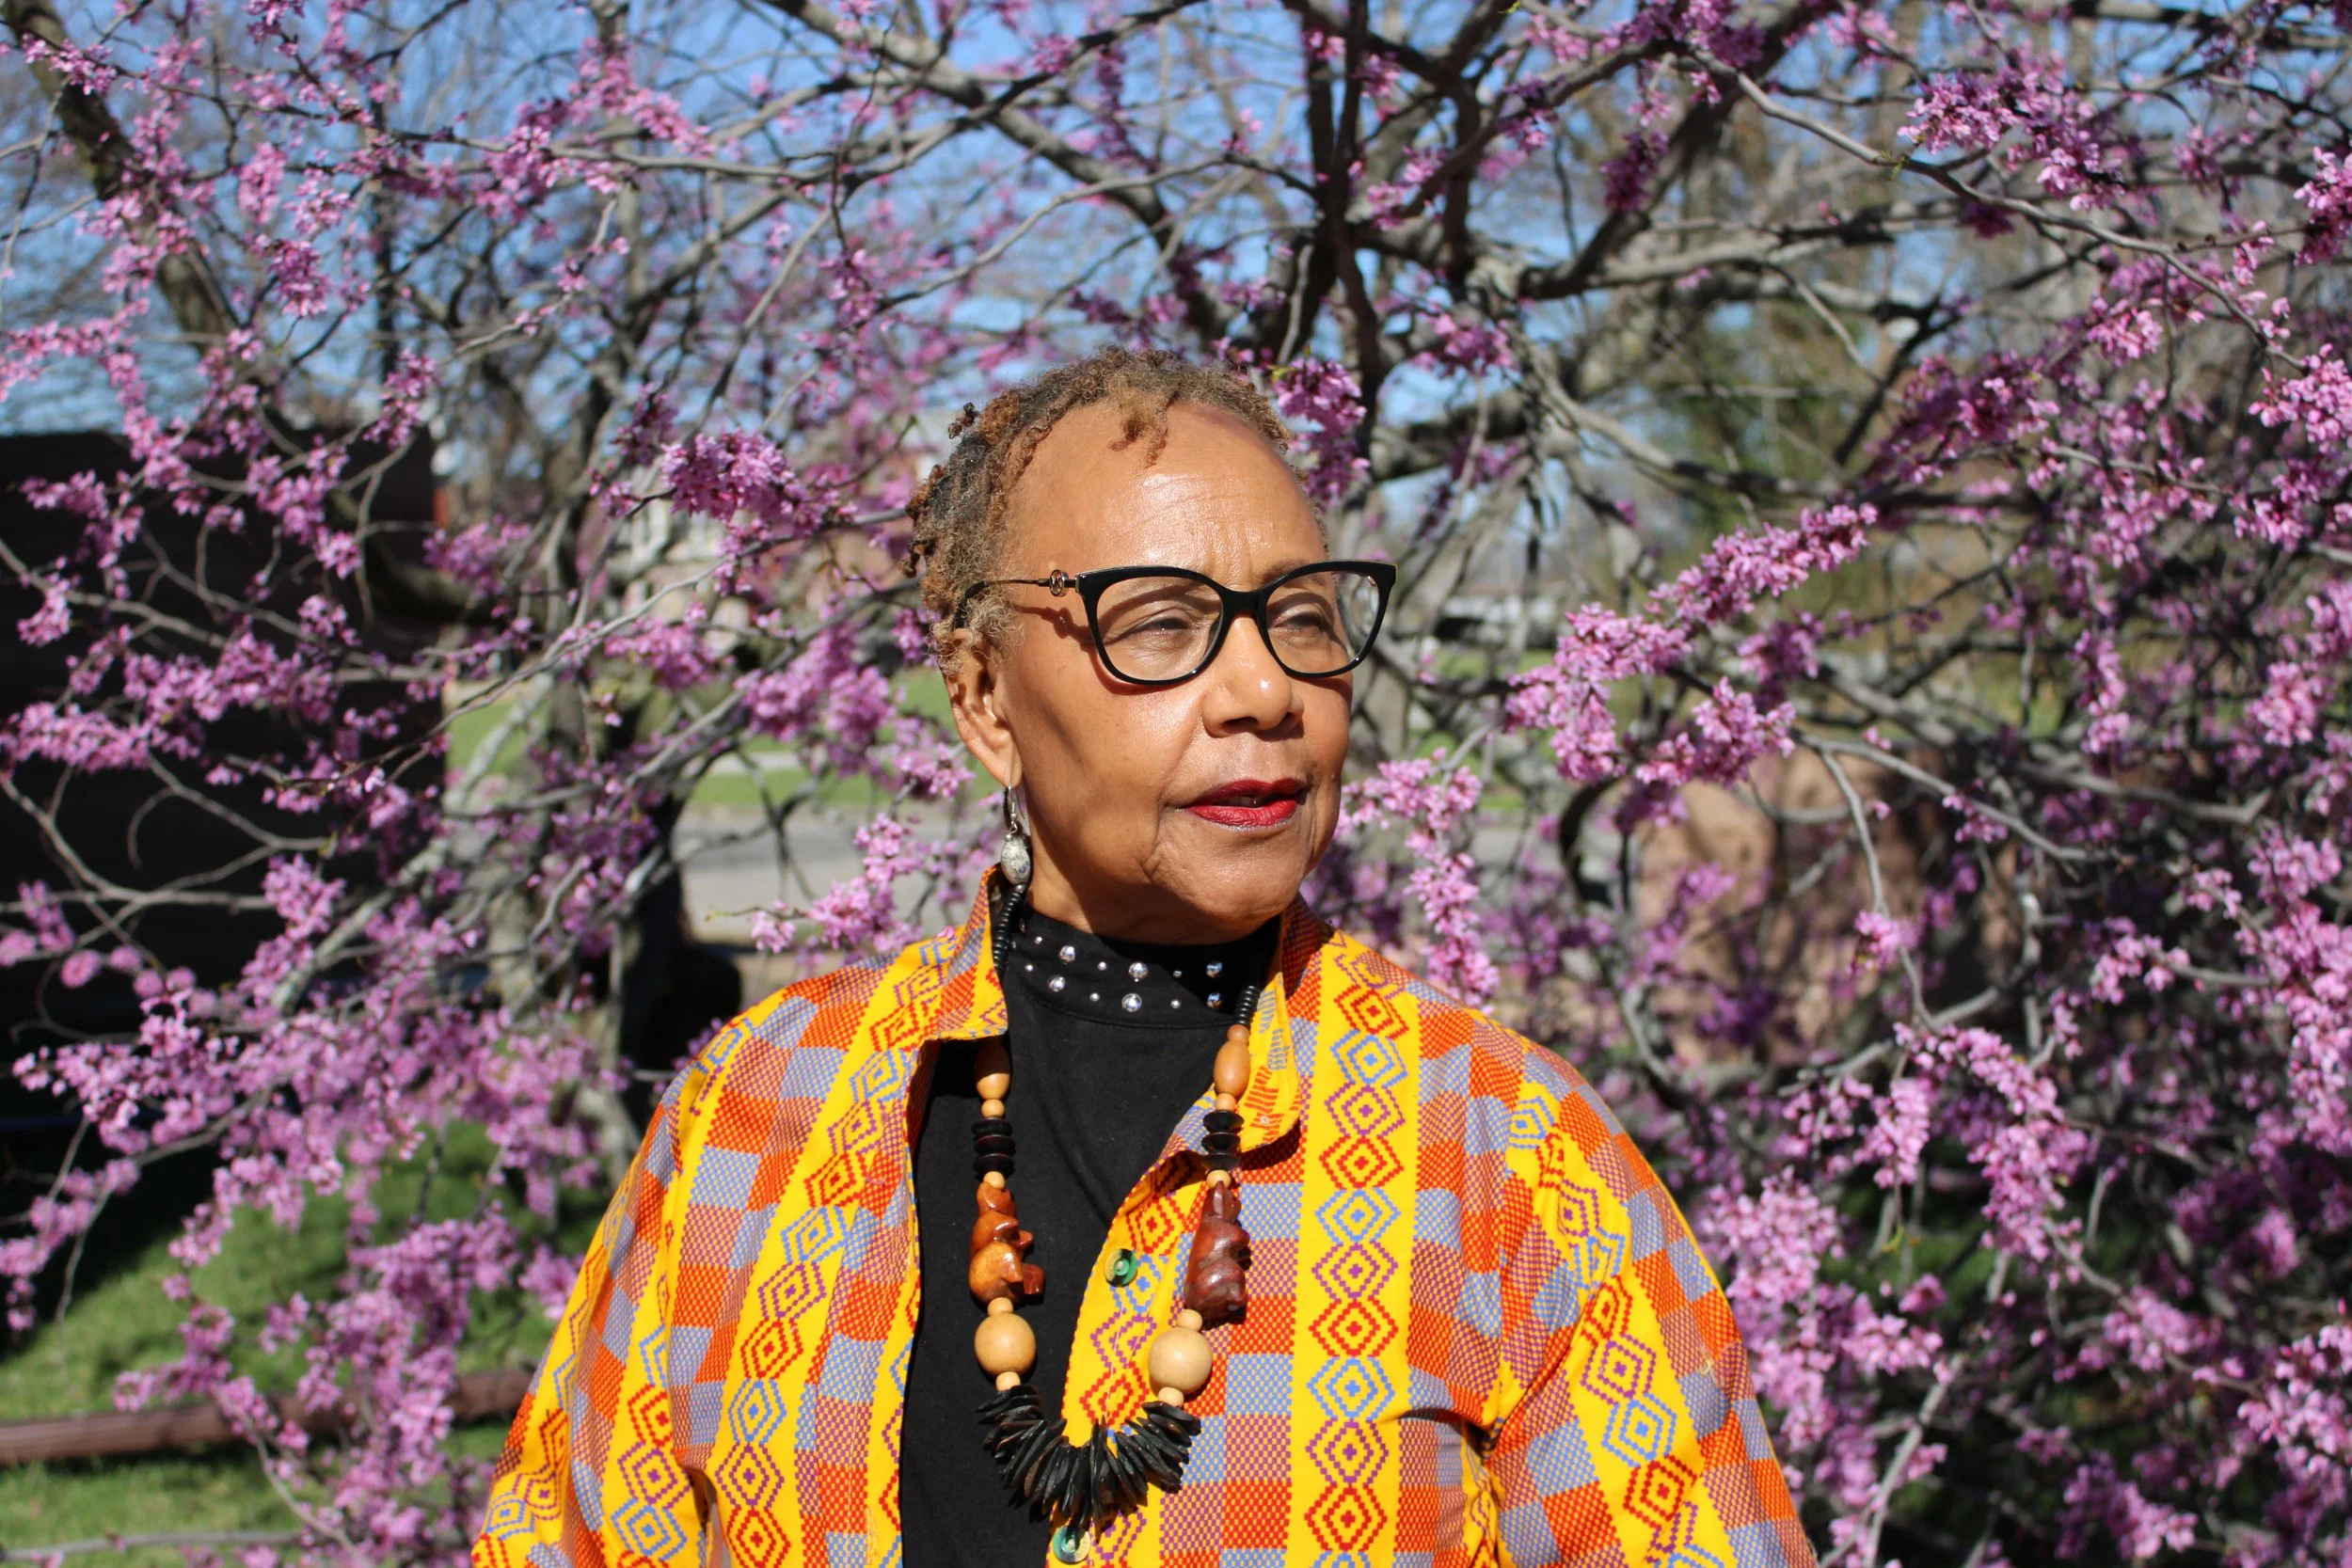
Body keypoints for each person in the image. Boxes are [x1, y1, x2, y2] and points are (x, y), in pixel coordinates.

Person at [472, 347, 1815, 1568]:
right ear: (987, 698)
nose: (1265, 690)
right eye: (1161, 623)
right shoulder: (755, 1115)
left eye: (1300, 616)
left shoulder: (1509, 1160)